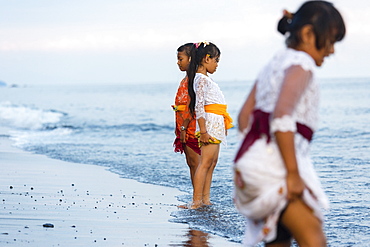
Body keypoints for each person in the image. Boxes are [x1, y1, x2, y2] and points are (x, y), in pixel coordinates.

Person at [233, 1, 345, 246]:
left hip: (250, 165)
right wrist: (292, 174)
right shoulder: (301, 64)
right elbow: (282, 116)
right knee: (313, 238)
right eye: (331, 41)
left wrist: (255, 157)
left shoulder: (272, 64)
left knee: (279, 239)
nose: (332, 51)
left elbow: (243, 118)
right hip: (275, 169)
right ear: (307, 34)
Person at [186, 41, 233, 209]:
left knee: (212, 163)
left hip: (216, 122)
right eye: (216, 60)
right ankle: (197, 201)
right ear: (207, 59)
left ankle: (205, 199)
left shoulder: (206, 79)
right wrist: (203, 131)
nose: (217, 64)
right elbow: (199, 106)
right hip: (209, 124)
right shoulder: (200, 79)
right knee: (205, 162)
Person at [172, 43, 201, 195]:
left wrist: (183, 128)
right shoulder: (186, 79)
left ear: (190, 59)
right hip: (183, 126)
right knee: (191, 164)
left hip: (190, 127)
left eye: (180, 59)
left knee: (196, 164)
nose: (178, 62)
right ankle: (197, 198)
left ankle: (200, 199)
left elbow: (192, 106)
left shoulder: (193, 79)